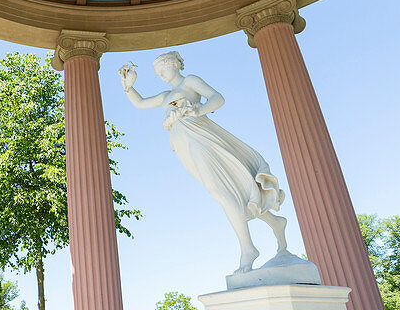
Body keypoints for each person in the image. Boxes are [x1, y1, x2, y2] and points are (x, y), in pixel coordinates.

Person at [119, 51, 289, 272]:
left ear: (174, 64)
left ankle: (248, 248)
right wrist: (128, 86)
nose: (160, 75)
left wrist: (199, 109)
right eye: (157, 73)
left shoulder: (190, 81)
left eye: (162, 69)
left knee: (220, 190)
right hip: (184, 146)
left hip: (202, 138)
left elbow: (218, 98)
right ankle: (275, 223)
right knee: (228, 189)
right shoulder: (164, 95)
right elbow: (140, 103)